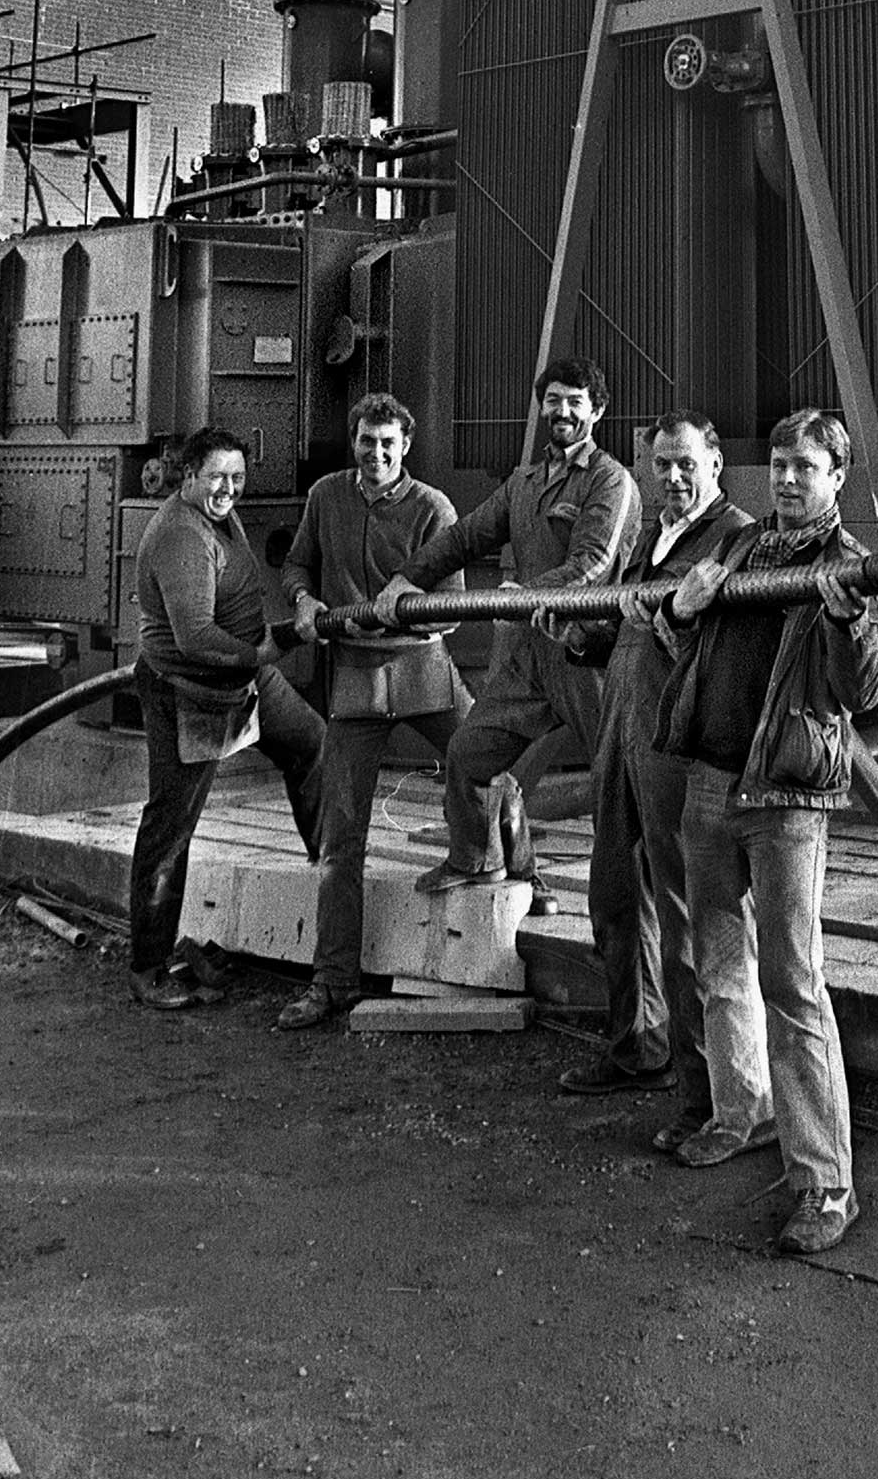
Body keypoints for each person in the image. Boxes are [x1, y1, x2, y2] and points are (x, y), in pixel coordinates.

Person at [656, 407, 878, 1257]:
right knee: (719, 963)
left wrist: (846, 620)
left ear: (837, 477)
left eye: (806, 467)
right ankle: (740, 1112)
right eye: (780, 464)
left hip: (787, 800)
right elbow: (675, 635)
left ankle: (827, 1184)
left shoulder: (848, 566)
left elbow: (864, 694)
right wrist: (679, 611)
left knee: (793, 984)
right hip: (711, 783)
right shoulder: (743, 552)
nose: (788, 479)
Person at [559, 414, 750, 1143]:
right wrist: (583, 633)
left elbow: (718, 642)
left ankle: (707, 1098)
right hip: (620, 732)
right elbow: (630, 627)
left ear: (716, 461)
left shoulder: (735, 538)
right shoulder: (653, 537)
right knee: (612, 895)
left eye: (685, 464)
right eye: (661, 464)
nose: (672, 476)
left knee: (684, 924)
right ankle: (637, 1047)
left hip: (676, 747)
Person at [388, 358, 639, 891]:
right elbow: (465, 537)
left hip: (589, 652)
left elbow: (594, 562)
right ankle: (477, 859)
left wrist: (531, 595)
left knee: (621, 783)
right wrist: (407, 580)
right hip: (530, 657)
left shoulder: (610, 481)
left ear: (597, 410)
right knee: (469, 754)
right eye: (553, 400)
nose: (563, 411)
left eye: (575, 401)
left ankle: (634, 895)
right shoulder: (523, 483)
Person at [274, 393, 471, 1032]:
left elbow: (454, 604)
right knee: (340, 840)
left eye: (389, 443)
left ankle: (518, 867)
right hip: (354, 685)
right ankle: (332, 982)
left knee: (488, 758)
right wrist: (303, 597)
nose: (377, 453)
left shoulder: (434, 508)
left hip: (421, 671)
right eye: (367, 441)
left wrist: (404, 611)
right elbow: (299, 561)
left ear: (406, 446)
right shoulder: (326, 496)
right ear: (353, 441)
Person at [127, 426, 325, 1012]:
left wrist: (269, 645)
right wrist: (263, 652)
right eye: (216, 476)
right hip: (191, 691)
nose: (228, 488)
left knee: (311, 742)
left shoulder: (219, 516)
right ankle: (148, 966)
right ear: (187, 477)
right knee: (171, 827)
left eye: (237, 477)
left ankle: (330, 875)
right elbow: (194, 638)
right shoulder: (181, 534)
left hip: (242, 678)